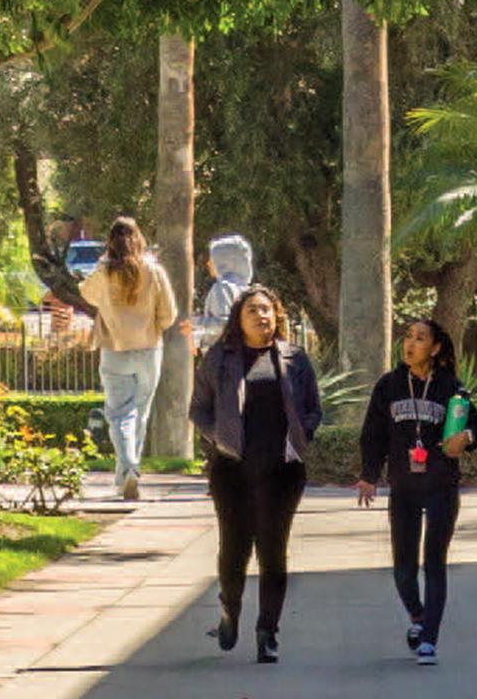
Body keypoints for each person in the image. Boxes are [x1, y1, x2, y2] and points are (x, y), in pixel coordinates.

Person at [188, 285, 323, 664]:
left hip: (282, 471)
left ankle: (268, 631)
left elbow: (313, 408)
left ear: (276, 315)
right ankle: (230, 609)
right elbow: (199, 410)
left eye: (267, 310)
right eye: (253, 311)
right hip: (232, 470)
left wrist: (302, 435)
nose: (262, 316)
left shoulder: (295, 358)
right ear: (239, 318)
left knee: (273, 551)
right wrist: (222, 437)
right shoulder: (221, 359)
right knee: (234, 550)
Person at [355, 316, 477, 667]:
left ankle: (429, 640)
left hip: (441, 486)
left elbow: (476, 426)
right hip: (404, 488)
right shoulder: (389, 386)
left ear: (436, 347)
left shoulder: (451, 388)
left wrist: (466, 438)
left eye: (420, 338)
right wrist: (369, 475)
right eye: (408, 337)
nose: (410, 344)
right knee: (403, 570)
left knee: (435, 564)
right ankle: (417, 616)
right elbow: (373, 435)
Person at [79, 215, 180, 500]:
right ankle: (129, 472)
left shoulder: (104, 270)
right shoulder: (154, 270)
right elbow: (169, 313)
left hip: (115, 349)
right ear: (139, 238)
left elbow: (86, 293)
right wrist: (154, 328)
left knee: (119, 414)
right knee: (140, 412)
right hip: (149, 349)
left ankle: (128, 472)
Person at [195, 233, 254, 349]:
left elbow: (223, 325)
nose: (208, 264)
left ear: (224, 261)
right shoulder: (245, 289)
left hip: (221, 357)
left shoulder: (222, 288)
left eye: (213, 259)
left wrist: (195, 322)